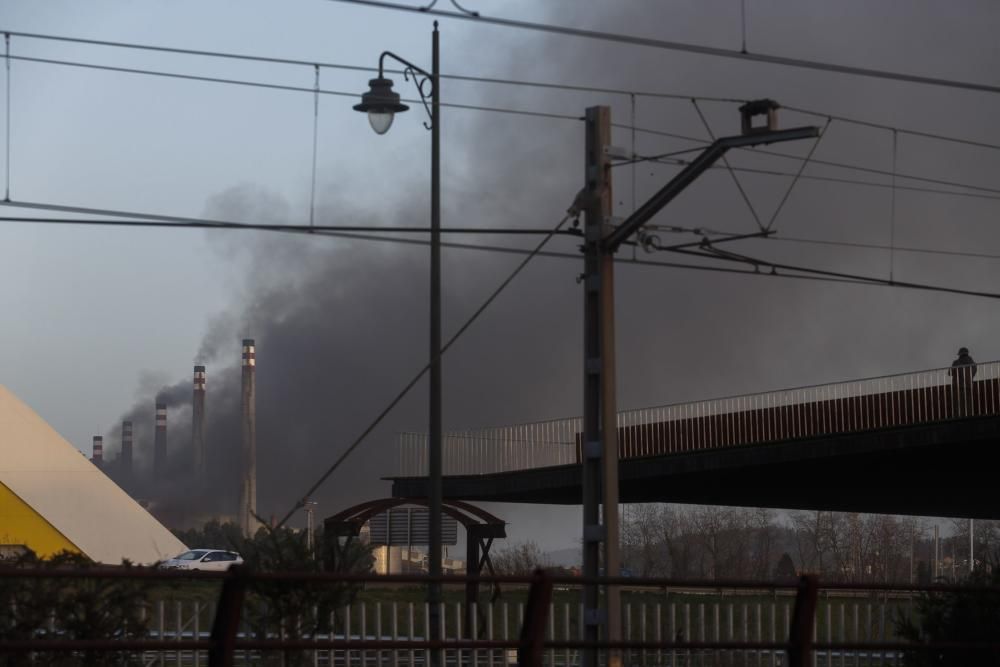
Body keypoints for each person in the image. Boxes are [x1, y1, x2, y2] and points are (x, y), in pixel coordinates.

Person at [949, 347, 977, 416]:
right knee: (968, 402)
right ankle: (969, 416)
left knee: (958, 403)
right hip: (968, 385)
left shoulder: (956, 362)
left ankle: (959, 416)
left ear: (960, 354)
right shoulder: (973, 363)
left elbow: (949, 373)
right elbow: (974, 372)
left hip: (958, 386)